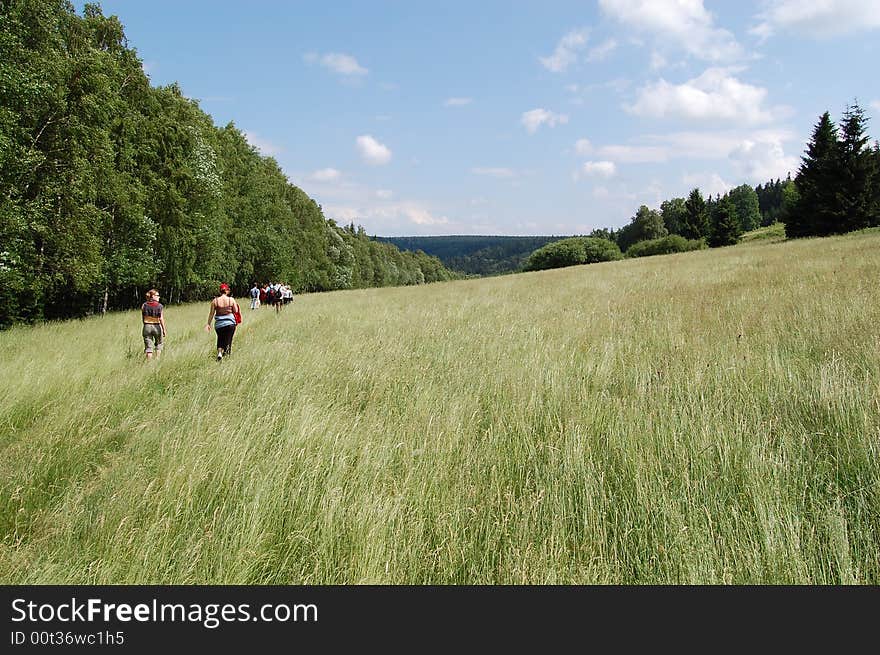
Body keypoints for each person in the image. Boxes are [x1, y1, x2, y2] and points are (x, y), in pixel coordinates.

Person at [205, 283, 240, 361]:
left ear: (220, 291)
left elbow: (211, 313)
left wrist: (208, 324)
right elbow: (236, 310)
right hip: (230, 324)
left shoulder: (215, 301)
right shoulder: (231, 299)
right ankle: (227, 356)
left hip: (219, 325)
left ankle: (220, 353)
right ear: (227, 291)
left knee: (220, 339)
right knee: (228, 340)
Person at [141, 289, 166, 361]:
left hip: (146, 326)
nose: (159, 297)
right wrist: (164, 329)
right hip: (156, 326)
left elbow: (143, 318)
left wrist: (145, 325)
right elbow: (161, 318)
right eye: (157, 295)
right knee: (159, 344)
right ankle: (157, 360)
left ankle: (149, 363)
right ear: (153, 296)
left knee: (148, 347)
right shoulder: (160, 306)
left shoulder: (144, 305)